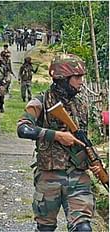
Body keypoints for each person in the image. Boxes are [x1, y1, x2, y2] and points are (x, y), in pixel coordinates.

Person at [17, 54, 100, 231]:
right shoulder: (41, 101)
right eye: (77, 77)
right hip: (49, 176)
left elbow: (83, 139)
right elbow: (23, 129)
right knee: (45, 227)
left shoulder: (81, 104)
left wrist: (92, 160)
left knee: (83, 228)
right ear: (62, 78)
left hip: (78, 176)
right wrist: (56, 135)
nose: (81, 82)